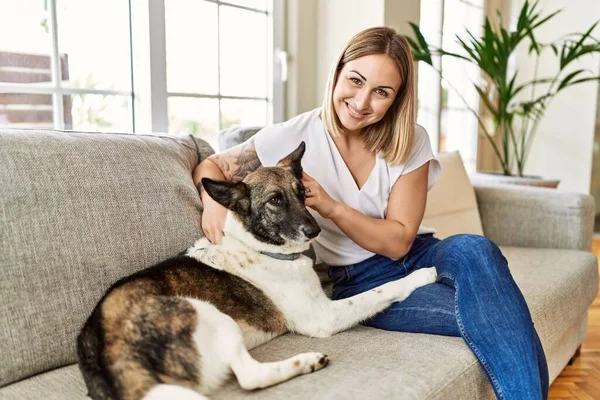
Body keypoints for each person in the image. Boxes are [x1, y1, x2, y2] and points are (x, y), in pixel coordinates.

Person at [193, 26, 548, 400]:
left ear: (397, 99)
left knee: (476, 248)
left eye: (381, 92)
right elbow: (211, 165)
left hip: (424, 252)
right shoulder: (291, 135)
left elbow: (398, 242)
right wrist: (212, 204)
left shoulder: (411, 139)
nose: (362, 101)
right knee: (503, 315)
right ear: (338, 73)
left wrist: (331, 207)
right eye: (355, 80)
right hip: (363, 279)